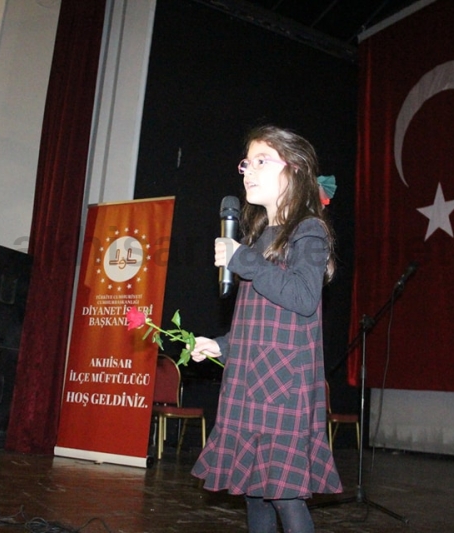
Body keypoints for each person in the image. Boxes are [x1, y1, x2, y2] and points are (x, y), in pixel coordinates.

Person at [189, 125, 343, 532]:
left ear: (295, 170)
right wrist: (221, 345)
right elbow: (260, 320)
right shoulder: (258, 238)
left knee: (286, 499)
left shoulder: (308, 230)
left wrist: (243, 260)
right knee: (255, 495)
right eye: (247, 163)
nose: (249, 171)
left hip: (282, 387)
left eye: (262, 161)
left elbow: (303, 298)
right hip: (249, 381)